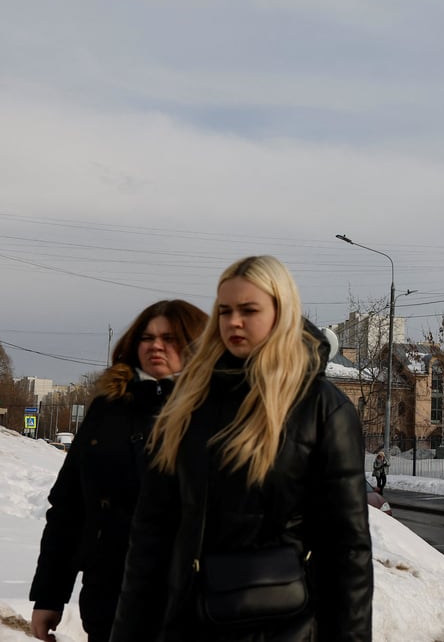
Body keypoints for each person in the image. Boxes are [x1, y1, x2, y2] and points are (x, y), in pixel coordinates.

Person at [109, 255, 373, 642]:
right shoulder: (188, 400)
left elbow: (347, 551)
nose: (233, 322)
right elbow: (151, 534)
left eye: (249, 310)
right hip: (186, 626)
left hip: (283, 627)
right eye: (225, 311)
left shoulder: (322, 407)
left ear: (281, 313)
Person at [29, 300, 208, 642]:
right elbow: (68, 509)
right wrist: (49, 596)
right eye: (147, 336)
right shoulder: (107, 409)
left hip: (192, 605)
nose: (155, 345)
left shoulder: (215, 412)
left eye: (170, 338)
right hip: (108, 596)